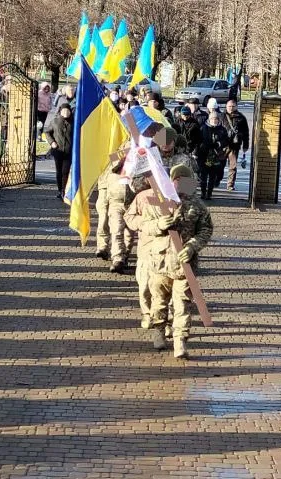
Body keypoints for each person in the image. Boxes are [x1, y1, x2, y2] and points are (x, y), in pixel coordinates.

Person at [124, 163, 213, 359]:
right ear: (171, 180)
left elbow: (206, 230)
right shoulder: (156, 201)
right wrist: (157, 225)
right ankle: (159, 331)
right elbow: (135, 222)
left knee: (182, 305)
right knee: (159, 302)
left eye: (184, 180)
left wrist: (192, 246)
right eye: (177, 180)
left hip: (184, 265)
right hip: (160, 261)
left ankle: (180, 341)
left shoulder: (196, 205)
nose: (180, 183)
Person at [94, 145, 136, 273]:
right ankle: (117, 258)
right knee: (116, 230)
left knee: (129, 234)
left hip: (133, 203)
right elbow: (110, 161)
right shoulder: (114, 163)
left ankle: (125, 255)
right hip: (116, 203)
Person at [195, 107, 231, 200]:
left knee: (212, 176)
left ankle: (209, 194)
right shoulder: (203, 128)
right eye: (213, 119)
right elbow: (198, 140)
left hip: (216, 155)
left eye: (216, 119)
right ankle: (203, 193)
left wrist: (219, 144)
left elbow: (226, 141)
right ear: (209, 119)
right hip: (204, 155)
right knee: (203, 176)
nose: (214, 120)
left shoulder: (222, 129)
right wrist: (203, 147)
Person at [42, 103, 74, 197]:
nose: (66, 113)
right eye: (64, 111)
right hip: (58, 150)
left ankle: (64, 191)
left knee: (65, 171)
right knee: (59, 171)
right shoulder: (55, 121)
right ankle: (60, 190)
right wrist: (52, 142)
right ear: (60, 111)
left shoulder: (74, 122)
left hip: (69, 151)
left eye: (68, 111)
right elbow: (47, 132)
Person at [223, 97, 250, 190]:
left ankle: (230, 185)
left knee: (232, 166)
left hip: (234, 146)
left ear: (236, 107)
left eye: (233, 106)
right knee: (218, 165)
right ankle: (216, 180)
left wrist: (245, 145)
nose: (231, 108)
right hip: (222, 146)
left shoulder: (241, 118)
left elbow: (246, 133)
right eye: (229, 106)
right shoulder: (221, 116)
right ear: (226, 106)